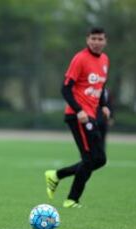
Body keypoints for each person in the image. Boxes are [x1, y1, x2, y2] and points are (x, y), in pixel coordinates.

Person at [45, 27, 111, 208]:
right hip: (78, 117)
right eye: (94, 38)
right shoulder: (80, 58)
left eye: (100, 39)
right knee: (90, 159)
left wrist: (104, 105)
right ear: (87, 39)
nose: (97, 42)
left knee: (100, 160)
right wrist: (79, 110)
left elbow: (102, 87)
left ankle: (56, 175)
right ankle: (72, 199)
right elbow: (65, 89)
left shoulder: (105, 60)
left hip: (92, 115)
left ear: (105, 41)